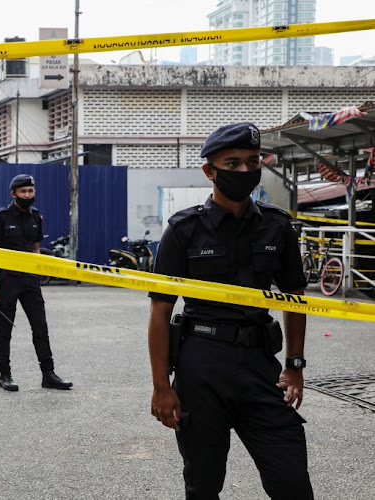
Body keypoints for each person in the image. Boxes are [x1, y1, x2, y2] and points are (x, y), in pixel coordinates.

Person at [147, 123, 313, 499]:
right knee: (203, 485)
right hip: (201, 367)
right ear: (210, 170)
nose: (244, 172)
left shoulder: (277, 226)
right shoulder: (184, 230)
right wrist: (161, 386)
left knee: (292, 482)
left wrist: (295, 365)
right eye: (232, 163)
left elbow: (295, 297)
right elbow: (160, 311)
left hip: (260, 365)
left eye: (252, 163)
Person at [0, 174, 73, 392]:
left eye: (31, 191)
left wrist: (37, 274)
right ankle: (5, 375)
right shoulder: (1, 217)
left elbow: (35, 248)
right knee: (5, 330)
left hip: (30, 281)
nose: (28, 195)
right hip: (7, 281)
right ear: (13, 194)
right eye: (23, 192)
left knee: (40, 327)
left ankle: (48, 374)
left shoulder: (36, 217)